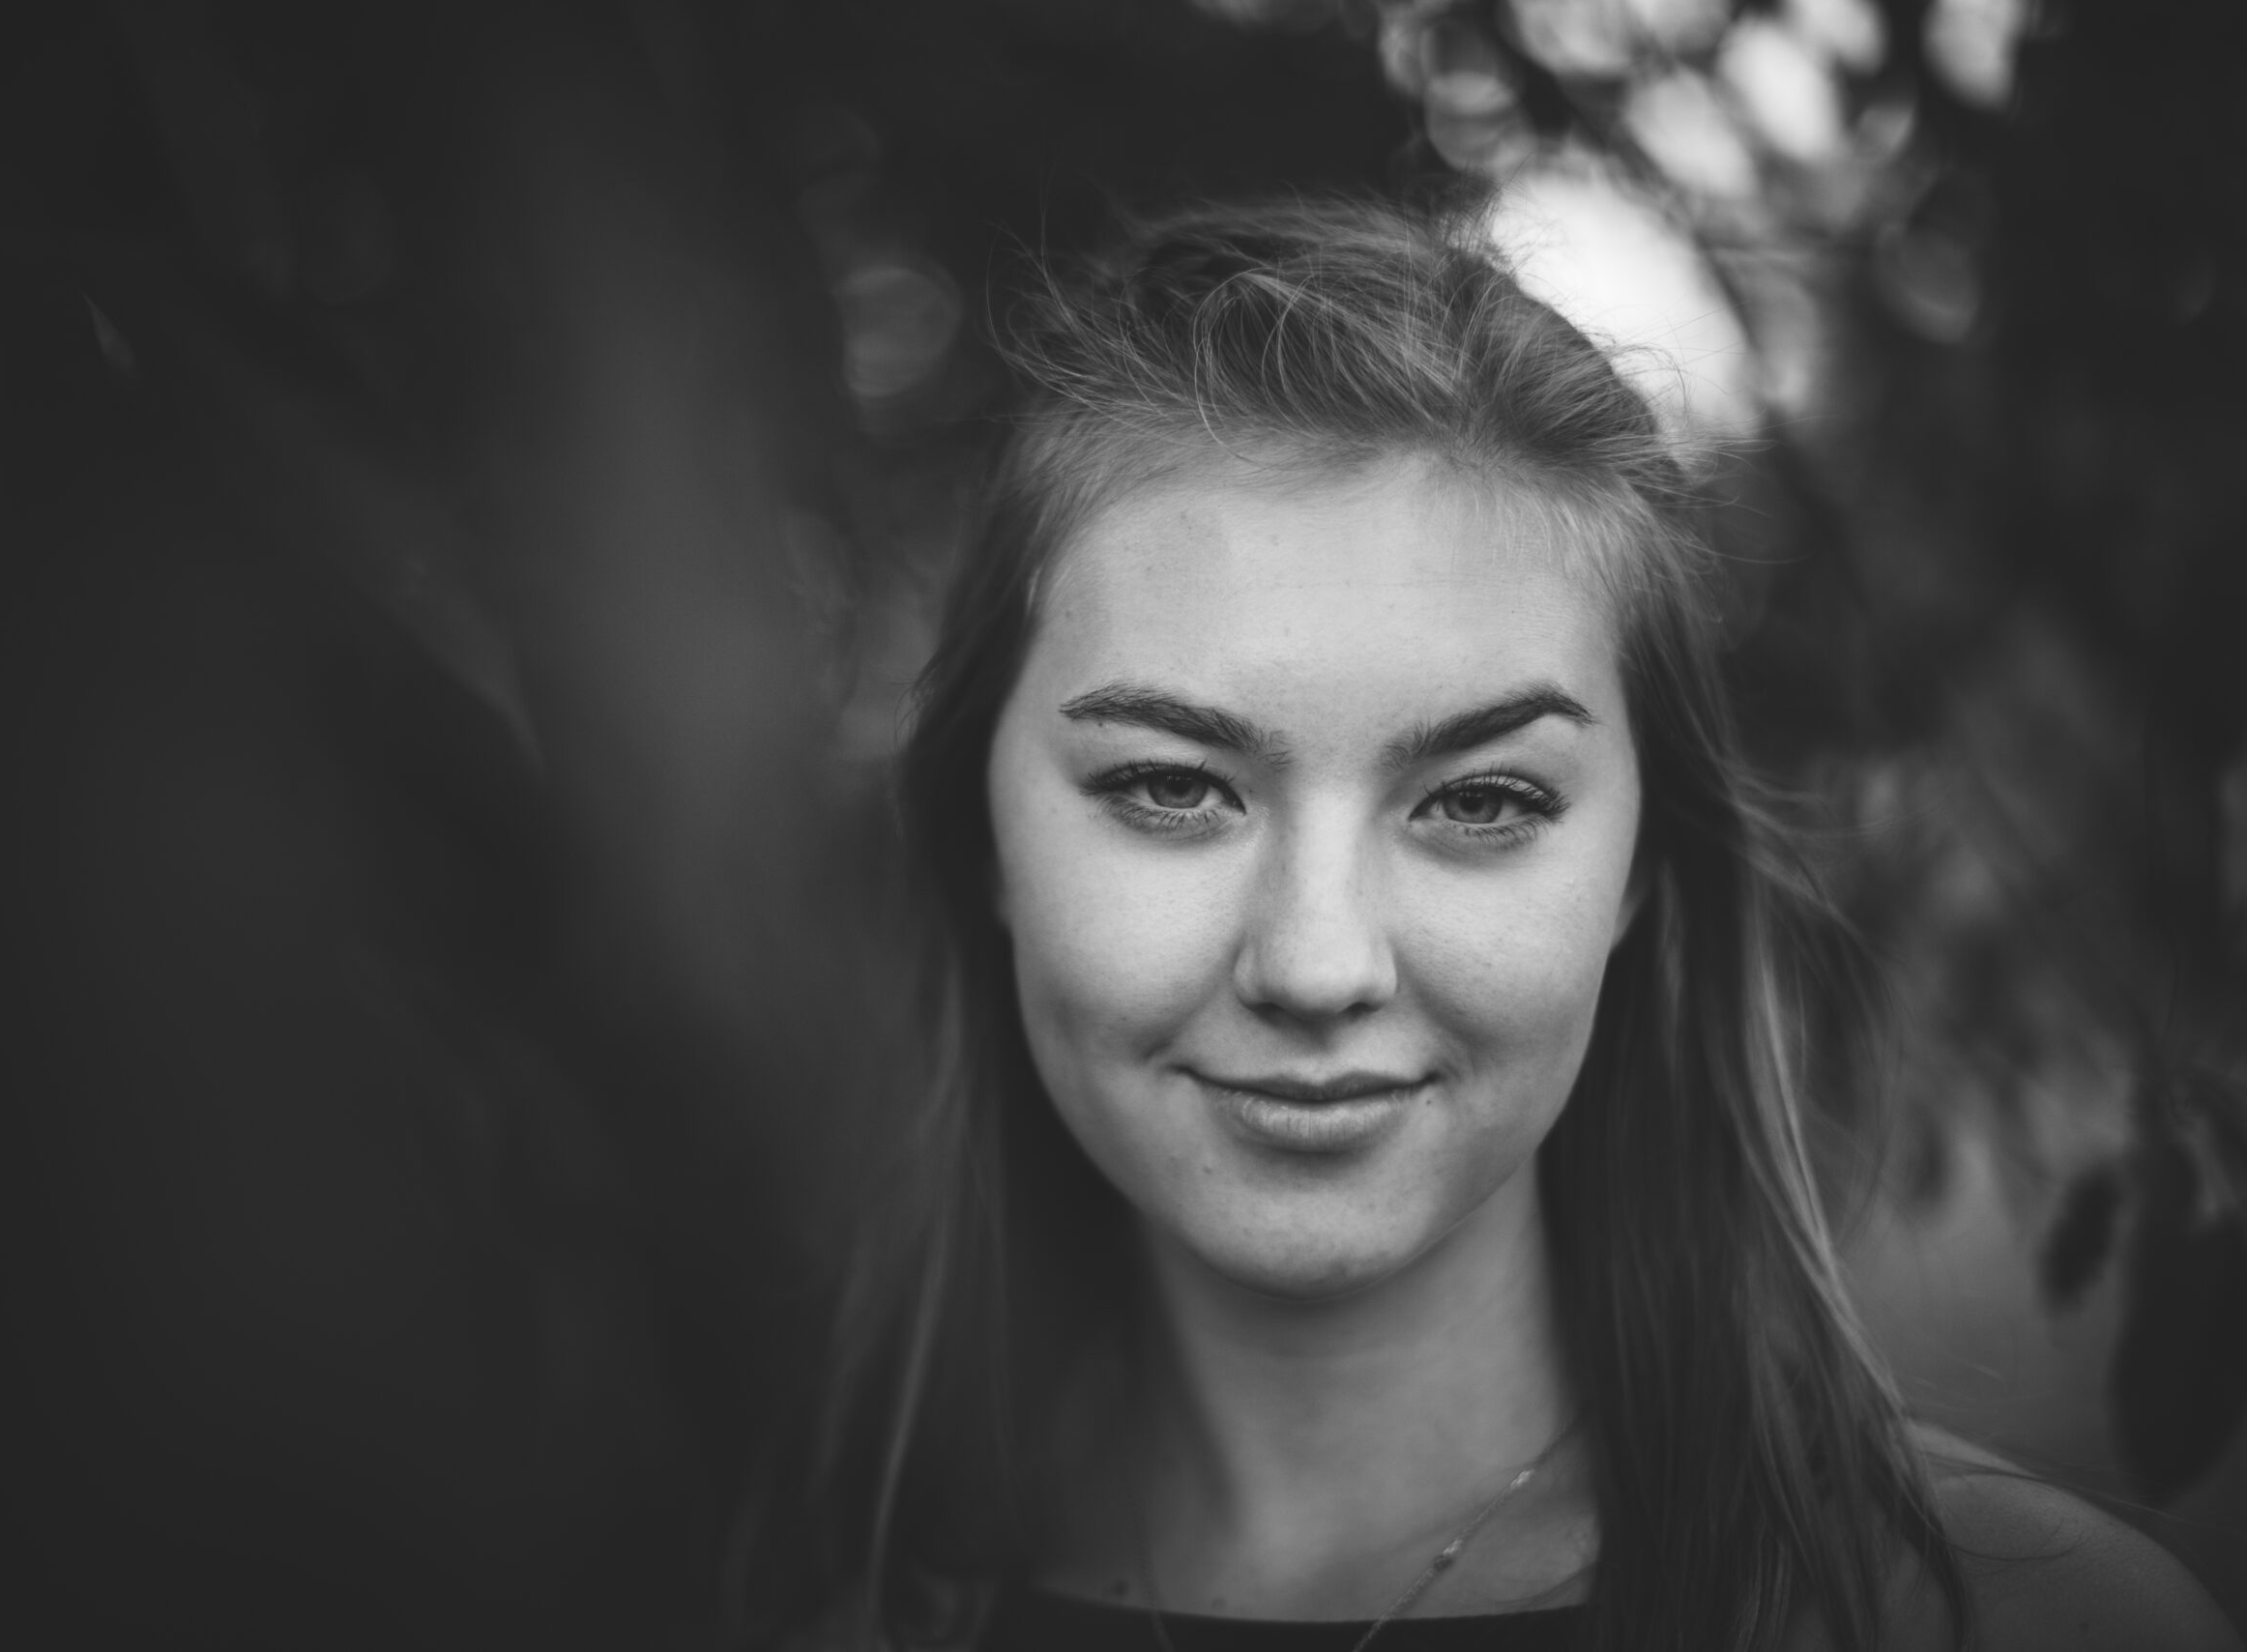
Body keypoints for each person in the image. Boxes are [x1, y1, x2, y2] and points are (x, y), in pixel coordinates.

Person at [803, 196, 2239, 1651]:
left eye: (1481, 800)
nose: (1317, 965)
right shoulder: (844, 1617)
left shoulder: (2029, 1625)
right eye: (1171, 787)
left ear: (1639, 871)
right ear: (984, 838)